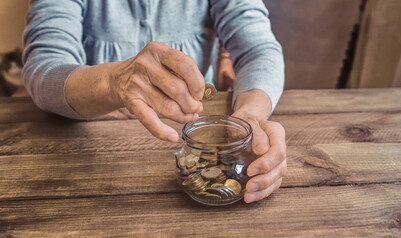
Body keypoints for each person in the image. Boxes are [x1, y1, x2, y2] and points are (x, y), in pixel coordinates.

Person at [23, 0, 287, 203]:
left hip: (199, 135)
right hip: (90, 160)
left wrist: (250, 116)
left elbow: (259, 50)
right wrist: (114, 82)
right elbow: (43, 70)